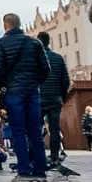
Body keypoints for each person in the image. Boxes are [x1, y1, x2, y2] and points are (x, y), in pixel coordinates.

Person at [0, 13, 50, 182]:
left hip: (13, 93)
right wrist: (35, 82)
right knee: (35, 132)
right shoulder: (35, 42)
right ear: (19, 24)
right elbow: (46, 68)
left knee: (18, 132)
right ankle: (40, 169)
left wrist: (3, 86)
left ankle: (24, 169)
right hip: (32, 92)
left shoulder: (0, 43)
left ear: (5, 25)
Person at [35, 32, 70, 168]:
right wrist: (61, 96)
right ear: (49, 42)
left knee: (36, 128)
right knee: (55, 129)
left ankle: (38, 156)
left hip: (38, 99)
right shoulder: (58, 58)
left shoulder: (35, 60)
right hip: (55, 99)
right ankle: (54, 156)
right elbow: (65, 80)